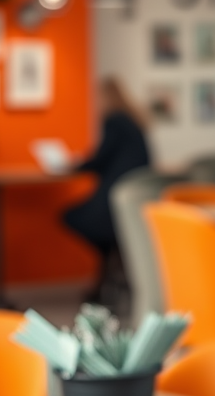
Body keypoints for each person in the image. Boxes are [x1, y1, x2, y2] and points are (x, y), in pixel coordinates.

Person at [63, 77, 150, 304]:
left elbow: (100, 158)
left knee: (78, 220)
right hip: (133, 200)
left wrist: (73, 165)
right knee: (111, 241)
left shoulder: (115, 121)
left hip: (115, 201)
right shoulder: (133, 122)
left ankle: (109, 275)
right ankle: (110, 275)